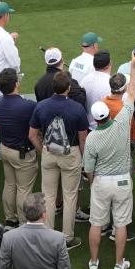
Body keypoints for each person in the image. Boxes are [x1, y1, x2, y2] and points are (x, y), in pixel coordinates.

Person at [83, 53, 135, 269]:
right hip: (122, 181)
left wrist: (92, 181)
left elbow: (88, 169)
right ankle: (118, 263)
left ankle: (94, 261)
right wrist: (133, 66)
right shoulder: (122, 121)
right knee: (121, 224)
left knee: (96, 223)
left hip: (101, 182)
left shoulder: (92, 138)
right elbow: (132, 92)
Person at [29, 71, 88, 249]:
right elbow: (83, 138)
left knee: (48, 195)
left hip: (49, 153)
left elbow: (32, 135)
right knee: (70, 195)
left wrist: (43, 151)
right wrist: (84, 160)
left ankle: (47, 235)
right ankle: (67, 237)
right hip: (71, 153)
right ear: (69, 87)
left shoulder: (41, 106)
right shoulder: (77, 108)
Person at [0, 69, 37, 226]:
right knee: (23, 189)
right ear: (16, 84)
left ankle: (10, 218)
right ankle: (23, 222)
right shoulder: (27, 106)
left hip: (5, 150)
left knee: (10, 184)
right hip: (22, 153)